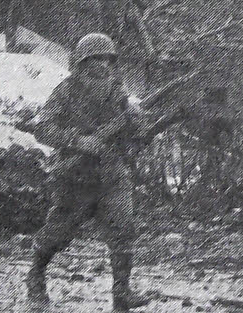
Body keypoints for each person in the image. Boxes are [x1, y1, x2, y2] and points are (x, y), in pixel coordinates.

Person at [26, 32, 151, 311]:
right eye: (97, 58)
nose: (104, 64)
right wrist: (78, 140)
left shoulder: (119, 91)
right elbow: (42, 128)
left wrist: (139, 125)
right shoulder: (66, 90)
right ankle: (35, 275)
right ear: (83, 62)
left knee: (123, 228)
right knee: (58, 234)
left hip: (112, 173)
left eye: (108, 58)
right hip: (75, 178)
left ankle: (122, 293)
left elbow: (134, 133)